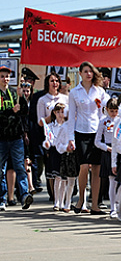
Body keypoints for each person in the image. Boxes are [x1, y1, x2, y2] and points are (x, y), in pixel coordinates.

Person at [67, 61, 109, 215]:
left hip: (97, 132)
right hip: (81, 132)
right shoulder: (74, 92)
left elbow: (109, 107)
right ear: (80, 73)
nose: (88, 74)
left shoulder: (99, 91)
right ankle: (81, 199)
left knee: (97, 169)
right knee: (84, 166)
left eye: (91, 71)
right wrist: (70, 138)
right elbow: (71, 117)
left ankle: (95, 204)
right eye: (85, 71)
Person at [0, 65, 33, 211]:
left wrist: (22, 97)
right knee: (1, 169)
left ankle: (24, 195)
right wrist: (10, 111)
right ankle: (2, 198)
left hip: (16, 137)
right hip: (1, 137)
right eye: (2, 76)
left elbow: (24, 112)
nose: (5, 79)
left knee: (20, 167)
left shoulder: (14, 93)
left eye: (7, 76)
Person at [37, 72, 69, 201]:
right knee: (52, 168)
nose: (55, 83)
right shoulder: (43, 100)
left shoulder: (65, 98)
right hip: (51, 134)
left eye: (57, 81)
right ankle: (54, 195)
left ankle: (64, 196)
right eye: (52, 81)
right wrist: (53, 115)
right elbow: (40, 121)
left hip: (64, 134)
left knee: (65, 168)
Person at [94, 98, 119, 218]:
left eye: (116, 110)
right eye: (111, 110)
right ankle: (113, 207)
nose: (114, 113)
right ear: (107, 110)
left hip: (120, 150)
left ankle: (120, 205)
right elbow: (97, 141)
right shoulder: (103, 122)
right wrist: (106, 148)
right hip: (109, 150)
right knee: (112, 181)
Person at [42, 102, 68, 211]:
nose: (60, 114)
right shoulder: (50, 126)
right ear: (54, 113)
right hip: (54, 151)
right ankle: (56, 201)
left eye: (62, 112)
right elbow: (47, 139)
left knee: (64, 179)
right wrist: (46, 144)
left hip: (65, 151)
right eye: (58, 112)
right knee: (57, 177)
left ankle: (62, 201)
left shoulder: (68, 126)